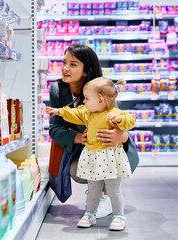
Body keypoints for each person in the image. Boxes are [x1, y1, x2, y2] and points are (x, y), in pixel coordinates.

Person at [48, 43, 139, 219]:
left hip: (110, 144)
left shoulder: (100, 87)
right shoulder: (57, 90)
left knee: (111, 168)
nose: (65, 68)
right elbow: (55, 128)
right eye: (64, 62)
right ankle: (95, 192)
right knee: (77, 170)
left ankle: (107, 195)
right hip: (87, 145)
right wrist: (76, 138)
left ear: (86, 71)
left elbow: (120, 118)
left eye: (73, 64)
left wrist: (122, 136)